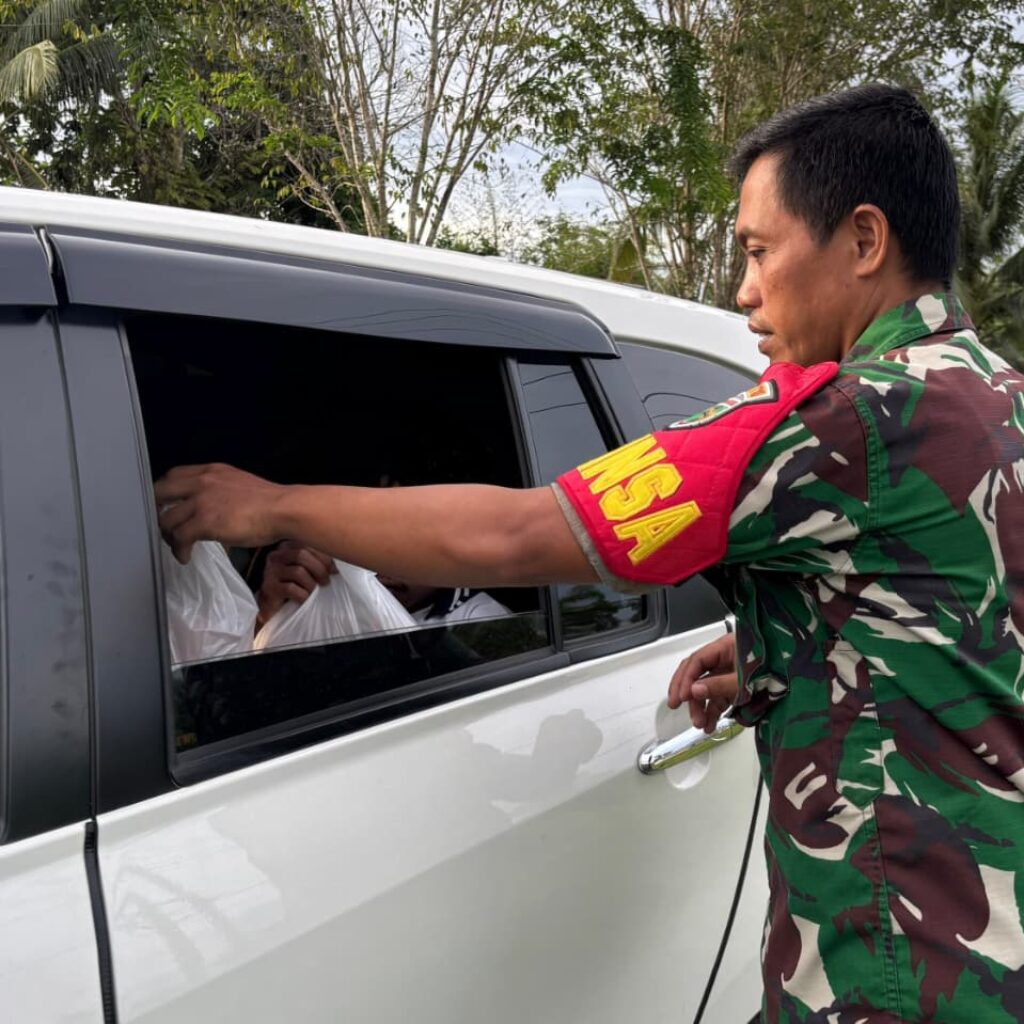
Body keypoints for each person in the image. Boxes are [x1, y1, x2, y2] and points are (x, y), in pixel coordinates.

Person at [155, 84, 1024, 1023]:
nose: (743, 290)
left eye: (760, 251)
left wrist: (268, 504)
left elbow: (512, 535)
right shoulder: (993, 396)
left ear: (863, 240)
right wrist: (798, 650)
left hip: (897, 964)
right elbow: (961, 604)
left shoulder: (829, 421)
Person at [257, 540, 510, 627]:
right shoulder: (319, 591)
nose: (385, 567)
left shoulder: (479, 621)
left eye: (409, 547)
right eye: (372, 543)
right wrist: (268, 613)